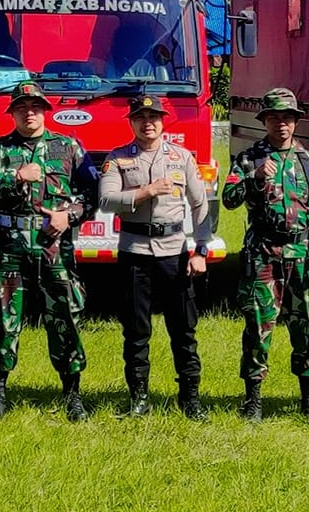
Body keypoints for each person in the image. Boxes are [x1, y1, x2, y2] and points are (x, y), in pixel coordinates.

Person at [0, 81, 101, 421]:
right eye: (21, 107)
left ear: (45, 110)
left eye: (35, 107)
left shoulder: (69, 146)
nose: (29, 112)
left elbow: (94, 193)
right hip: (11, 249)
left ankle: (72, 394)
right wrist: (14, 176)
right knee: (3, 319)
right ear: (12, 112)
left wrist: (68, 215)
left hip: (54, 249)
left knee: (65, 319)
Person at [223, 87, 309, 422]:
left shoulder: (308, 162)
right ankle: (253, 401)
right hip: (264, 253)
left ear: (296, 122)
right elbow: (229, 198)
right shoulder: (250, 158)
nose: (281, 124)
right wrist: (254, 178)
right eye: (274, 118)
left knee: (306, 328)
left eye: (287, 118)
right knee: (258, 326)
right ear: (264, 121)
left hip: (302, 254)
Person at [99, 94, 212, 420]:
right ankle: (138, 398)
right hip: (135, 252)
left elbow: (199, 205)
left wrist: (200, 249)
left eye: (154, 117)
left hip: (174, 252)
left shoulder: (181, 158)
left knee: (184, 330)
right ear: (131, 122)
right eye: (141, 117)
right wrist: (145, 192)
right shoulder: (118, 159)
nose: (148, 122)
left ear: (164, 121)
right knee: (136, 331)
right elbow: (106, 201)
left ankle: (190, 399)